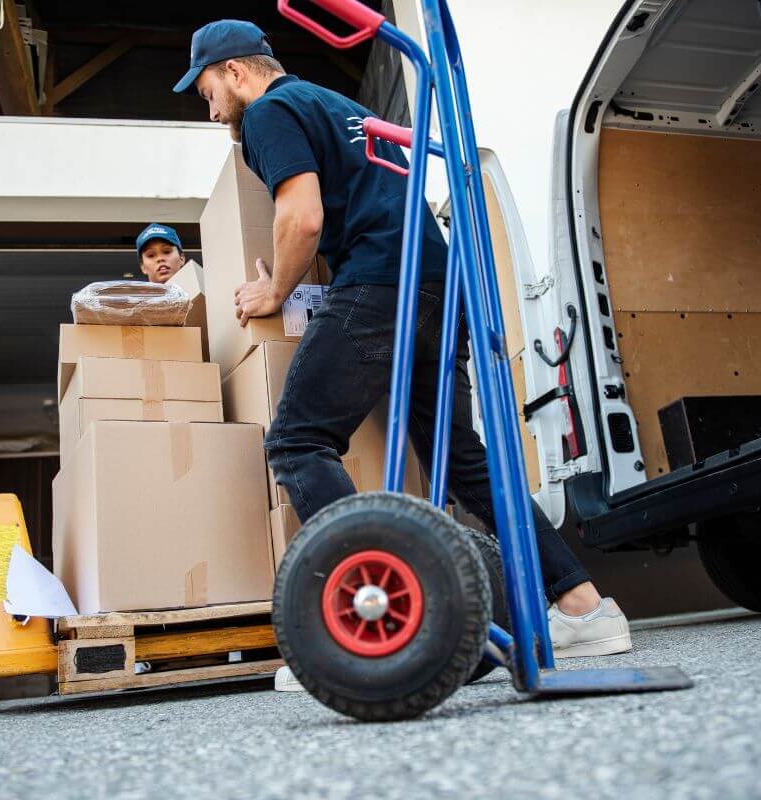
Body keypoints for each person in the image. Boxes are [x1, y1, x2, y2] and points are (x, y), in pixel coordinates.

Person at [174, 20, 632, 691]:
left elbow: (302, 217)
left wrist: (275, 288)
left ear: (238, 73)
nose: (212, 109)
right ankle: (584, 607)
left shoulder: (268, 113)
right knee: (465, 465)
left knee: (299, 442)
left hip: (381, 282)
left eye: (209, 90)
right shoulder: (345, 108)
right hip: (437, 288)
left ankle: (368, 628)